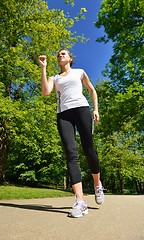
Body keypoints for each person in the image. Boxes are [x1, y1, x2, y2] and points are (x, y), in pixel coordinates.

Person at [38, 49, 104, 218]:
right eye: (59, 54)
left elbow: (92, 90)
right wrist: (43, 68)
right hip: (63, 115)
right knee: (70, 153)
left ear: (70, 58)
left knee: (89, 150)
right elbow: (46, 92)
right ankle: (80, 201)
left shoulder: (79, 72)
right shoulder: (55, 78)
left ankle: (97, 184)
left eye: (64, 54)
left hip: (82, 110)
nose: (60, 55)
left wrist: (95, 109)